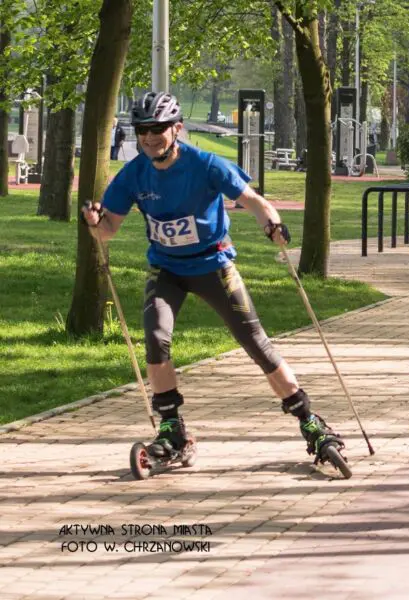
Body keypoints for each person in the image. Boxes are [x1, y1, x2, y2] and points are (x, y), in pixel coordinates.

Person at [83, 91, 341, 462]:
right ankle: (173, 430)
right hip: (167, 269)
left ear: (177, 129)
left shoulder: (205, 164)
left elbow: (253, 201)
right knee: (156, 338)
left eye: (158, 129)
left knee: (255, 342)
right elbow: (107, 230)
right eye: (142, 130)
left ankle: (310, 422)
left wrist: (273, 225)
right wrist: (95, 222)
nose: (150, 137)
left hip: (214, 265)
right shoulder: (133, 174)